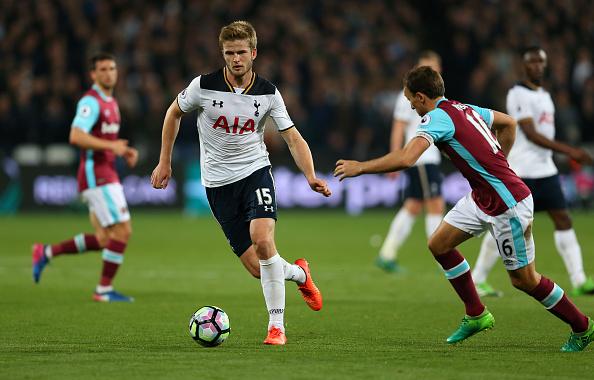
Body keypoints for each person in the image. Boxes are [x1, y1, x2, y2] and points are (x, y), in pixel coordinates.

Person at [334, 66, 594, 352]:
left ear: (421, 97)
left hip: (508, 204)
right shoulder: (463, 107)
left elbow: (408, 158)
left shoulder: (436, 117)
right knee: (439, 244)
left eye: (410, 99)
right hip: (482, 197)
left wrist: (361, 167)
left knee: (524, 280)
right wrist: (497, 160)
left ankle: (582, 326)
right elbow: (508, 123)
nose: (409, 104)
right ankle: (476, 313)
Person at [150, 21, 331, 346]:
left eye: (241, 52)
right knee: (258, 268)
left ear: (254, 53)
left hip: (255, 173)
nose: (236, 59)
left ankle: (276, 328)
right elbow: (172, 114)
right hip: (218, 185)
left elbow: (292, 137)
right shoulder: (203, 86)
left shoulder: (268, 93)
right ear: (223, 54)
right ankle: (300, 274)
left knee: (263, 240)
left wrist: (311, 175)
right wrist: (165, 161)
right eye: (229, 53)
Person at [472, 47, 594, 298]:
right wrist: (570, 151)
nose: (537, 66)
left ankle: (580, 279)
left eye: (541, 61)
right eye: (532, 62)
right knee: (505, 225)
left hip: (546, 171)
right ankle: (477, 278)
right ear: (523, 66)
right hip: (522, 172)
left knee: (563, 220)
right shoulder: (517, 94)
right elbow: (530, 133)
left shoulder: (545, 95)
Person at [32, 53, 138, 303]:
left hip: (105, 172)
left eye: (112, 68)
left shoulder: (111, 102)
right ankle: (103, 290)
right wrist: (112, 148)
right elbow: (76, 136)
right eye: (102, 69)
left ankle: (46, 252)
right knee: (123, 231)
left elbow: (104, 141)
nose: (109, 73)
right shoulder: (90, 102)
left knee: (104, 238)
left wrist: (121, 150)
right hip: (96, 174)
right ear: (93, 74)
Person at [377, 51, 445, 273]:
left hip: (426, 157)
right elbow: (398, 127)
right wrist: (394, 158)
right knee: (435, 204)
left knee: (413, 206)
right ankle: (442, 257)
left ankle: (386, 254)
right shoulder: (408, 95)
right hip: (421, 157)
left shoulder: (436, 96)